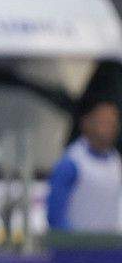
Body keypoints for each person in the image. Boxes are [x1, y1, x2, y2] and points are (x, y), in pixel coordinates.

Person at [47, 100, 121, 234]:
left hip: (109, 249)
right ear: (86, 123)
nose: (110, 126)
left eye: (113, 121)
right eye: (103, 121)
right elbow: (55, 217)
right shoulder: (72, 162)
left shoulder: (116, 161)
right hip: (78, 249)